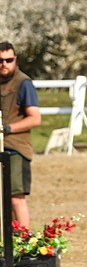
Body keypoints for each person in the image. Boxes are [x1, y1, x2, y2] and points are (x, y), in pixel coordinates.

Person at [0, 41, 41, 229]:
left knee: (16, 198)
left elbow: (35, 118)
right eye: (0, 60)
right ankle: (9, 240)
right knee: (5, 199)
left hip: (15, 148)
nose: (4, 64)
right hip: (1, 146)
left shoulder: (23, 83)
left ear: (15, 59)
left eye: (8, 60)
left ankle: (23, 240)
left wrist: (6, 129)